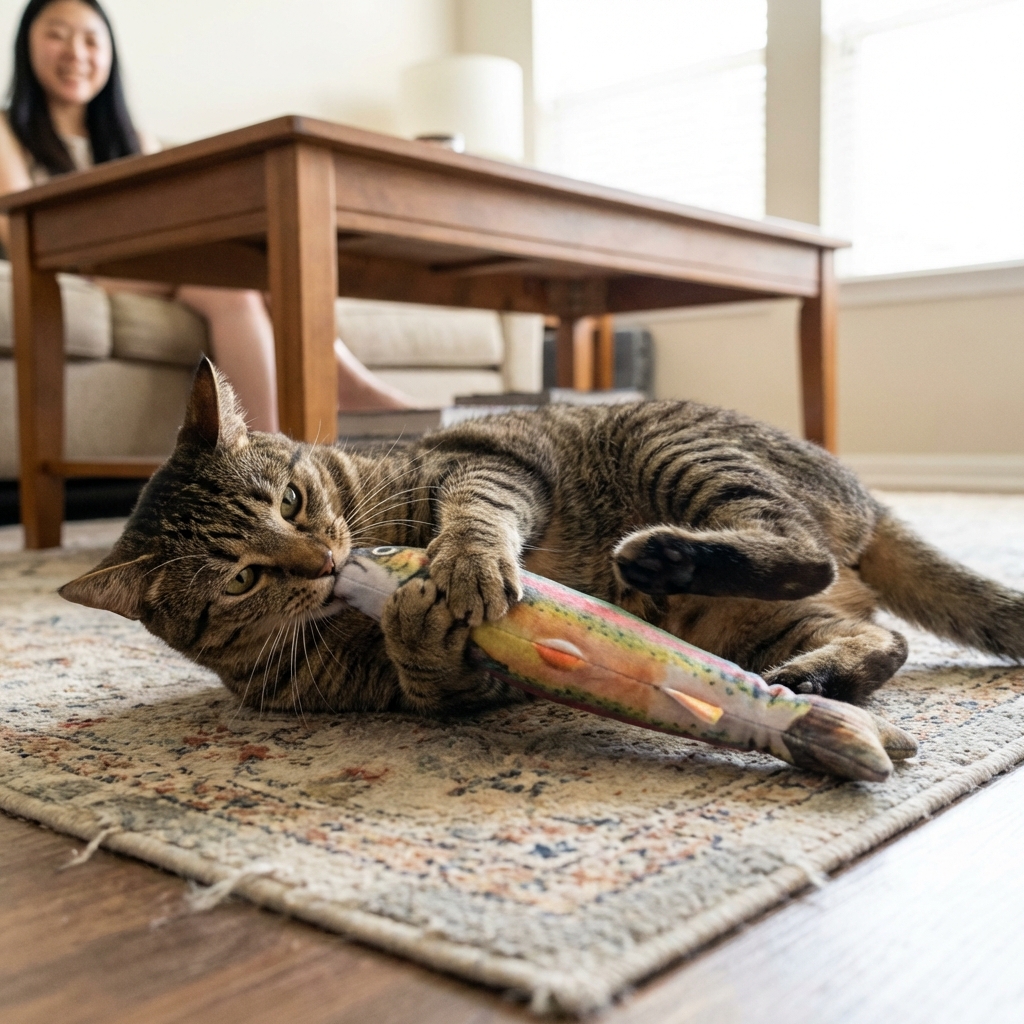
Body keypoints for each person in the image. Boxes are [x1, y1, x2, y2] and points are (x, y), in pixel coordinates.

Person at [0, 0, 413, 432]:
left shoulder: (135, 139)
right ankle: (349, 394)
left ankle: (268, 454)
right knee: (233, 271)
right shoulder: (8, 130)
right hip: (72, 267)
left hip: (149, 261)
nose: (76, 53)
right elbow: (16, 234)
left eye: (90, 40)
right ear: (26, 43)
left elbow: (172, 214)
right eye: (56, 34)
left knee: (240, 284)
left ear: (110, 56)